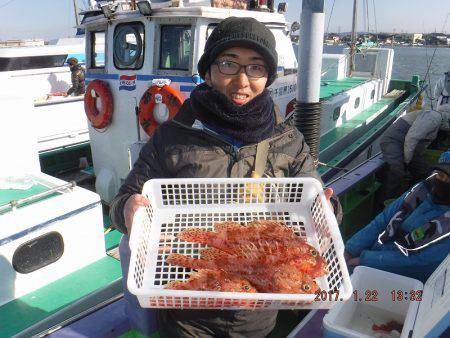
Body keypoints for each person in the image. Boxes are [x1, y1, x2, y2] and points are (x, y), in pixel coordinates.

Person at [110, 17, 341, 338]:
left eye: (256, 67)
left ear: (268, 76)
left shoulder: (288, 140)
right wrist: (127, 210)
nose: (242, 80)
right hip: (186, 310)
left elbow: (316, 205)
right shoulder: (172, 137)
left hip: (257, 312)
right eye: (229, 64)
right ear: (208, 70)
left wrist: (329, 212)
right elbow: (124, 201)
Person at [345, 149, 450, 283]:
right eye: (441, 175)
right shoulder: (423, 189)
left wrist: (365, 260)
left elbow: (421, 263)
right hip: (373, 256)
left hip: (402, 279)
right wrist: (350, 249)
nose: (443, 181)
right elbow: (383, 220)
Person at [379, 72, 450, 200]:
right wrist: (407, 161)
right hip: (393, 141)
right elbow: (412, 138)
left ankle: (416, 194)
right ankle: (386, 200)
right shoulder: (433, 117)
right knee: (397, 171)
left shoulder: (437, 122)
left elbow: (419, 145)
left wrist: (412, 160)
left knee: (425, 171)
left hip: (406, 146)